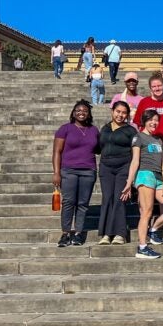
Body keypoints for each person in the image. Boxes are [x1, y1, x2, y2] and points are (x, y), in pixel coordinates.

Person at [122, 109, 163, 259]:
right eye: (151, 120)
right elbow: (135, 161)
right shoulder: (138, 137)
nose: (154, 123)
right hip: (145, 175)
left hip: (159, 178)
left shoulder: (158, 140)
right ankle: (142, 247)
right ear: (144, 121)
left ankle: (153, 231)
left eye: (156, 120)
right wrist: (129, 182)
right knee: (146, 212)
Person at [52, 100, 100, 247]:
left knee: (83, 203)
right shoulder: (65, 129)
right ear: (73, 113)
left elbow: (98, 149)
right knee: (68, 202)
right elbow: (56, 152)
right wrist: (56, 173)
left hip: (88, 171)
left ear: (89, 114)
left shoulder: (94, 130)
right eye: (78, 110)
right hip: (68, 170)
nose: (81, 112)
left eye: (85, 110)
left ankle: (78, 233)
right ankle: (65, 233)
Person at [97, 101, 137, 245]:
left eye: (124, 113)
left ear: (127, 115)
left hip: (123, 167)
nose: (120, 115)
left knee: (120, 198)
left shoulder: (130, 131)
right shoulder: (105, 128)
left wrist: (131, 177)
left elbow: (135, 153)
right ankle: (106, 234)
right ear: (112, 111)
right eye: (118, 111)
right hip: (106, 167)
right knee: (107, 198)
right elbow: (98, 147)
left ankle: (120, 233)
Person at [133, 74, 163, 142]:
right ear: (150, 88)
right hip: (147, 141)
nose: (157, 88)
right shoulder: (144, 102)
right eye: (154, 86)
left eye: (159, 85)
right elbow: (137, 122)